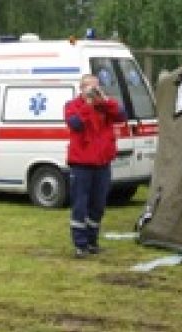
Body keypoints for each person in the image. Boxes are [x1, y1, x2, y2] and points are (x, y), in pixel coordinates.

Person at [64, 74, 125, 258]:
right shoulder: (72, 106)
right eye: (90, 87)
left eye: (96, 87)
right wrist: (88, 105)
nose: (94, 90)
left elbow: (121, 115)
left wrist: (105, 100)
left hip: (102, 163)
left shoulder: (105, 106)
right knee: (80, 206)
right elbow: (75, 124)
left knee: (98, 205)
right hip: (81, 164)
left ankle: (92, 241)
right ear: (81, 89)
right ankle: (80, 244)